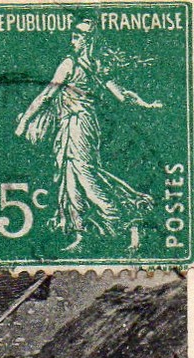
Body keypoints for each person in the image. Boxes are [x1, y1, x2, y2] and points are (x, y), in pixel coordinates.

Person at [15, 19, 160, 253]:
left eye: (80, 34)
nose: (75, 37)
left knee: (85, 177)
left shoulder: (77, 65)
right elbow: (120, 95)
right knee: (69, 177)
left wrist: (24, 120)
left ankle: (128, 220)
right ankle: (81, 234)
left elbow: (47, 95)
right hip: (71, 124)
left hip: (80, 124)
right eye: (74, 33)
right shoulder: (86, 64)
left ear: (89, 39)